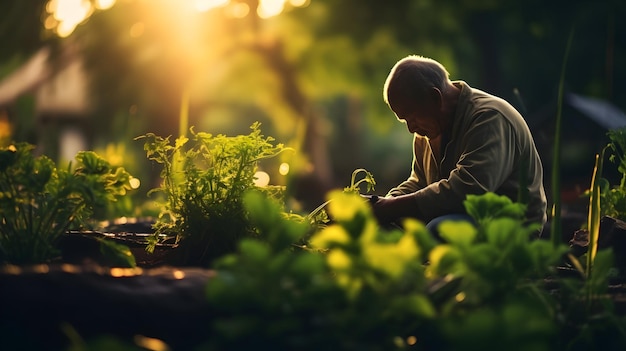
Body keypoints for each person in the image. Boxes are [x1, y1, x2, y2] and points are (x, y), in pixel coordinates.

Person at [370, 55, 547, 236]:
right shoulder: (426, 131)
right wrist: (381, 203)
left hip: (508, 228)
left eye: (412, 117)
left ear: (435, 97)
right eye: (404, 120)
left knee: (441, 230)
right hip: (455, 216)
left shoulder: (489, 118)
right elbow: (419, 183)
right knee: (383, 226)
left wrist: (391, 207)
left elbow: (469, 190)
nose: (410, 128)